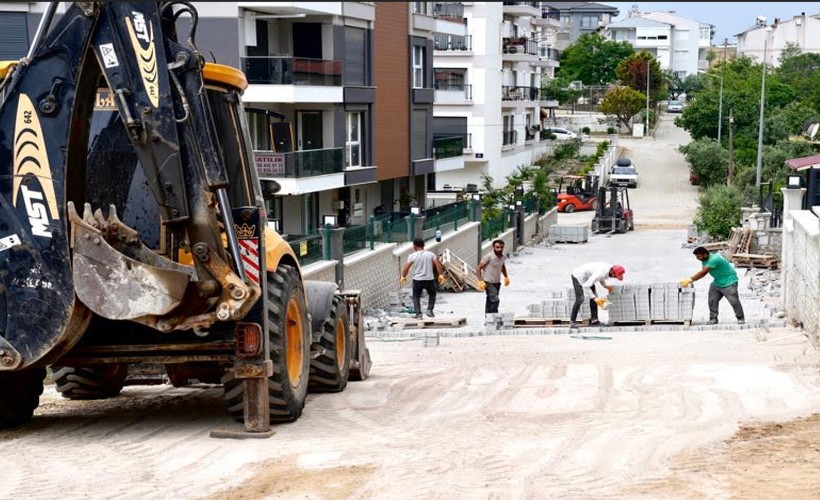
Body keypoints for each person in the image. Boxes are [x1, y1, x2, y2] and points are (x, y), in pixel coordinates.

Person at [680, 246, 745, 325]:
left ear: (705, 254)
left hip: (729, 281)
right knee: (712, 300)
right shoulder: (704, 260)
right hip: (717, 282)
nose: (697, 258)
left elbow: (703, 272)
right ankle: (713, 319)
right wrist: (694, 278)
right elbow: (704, 272)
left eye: (698, 256)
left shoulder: (714, 259)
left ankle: (740, 318)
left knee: (733, 301)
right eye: (696, 257)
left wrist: (689, 280)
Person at [569, 262, 625, 329]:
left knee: (594, 297)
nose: (615, 277)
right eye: (615, 276)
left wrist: (605, 286)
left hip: (588, 277)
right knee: (580, 299)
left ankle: (594, 321)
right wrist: (595, 298)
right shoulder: (601, 272)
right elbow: (585, 286)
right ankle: (572, 322)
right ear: (612, 272)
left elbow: (601, 277)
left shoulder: (610, 269)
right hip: (578, 275)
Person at [400, 238, 446, 319]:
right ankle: (429, 310)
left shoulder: (412, 256)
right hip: (429, 279)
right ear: (423, 245)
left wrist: (403, 276)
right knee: (432, 294)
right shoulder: (431, 254)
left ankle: (418, 314)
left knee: (416, 296)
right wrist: (441, 275)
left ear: (414, 246)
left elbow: (406, 267)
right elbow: (438, 265)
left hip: (417, 280)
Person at [476, 239, 510, 314]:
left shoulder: (502, 257)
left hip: (497, 282)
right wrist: (480, 281)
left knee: (490, 300)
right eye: (497, 247)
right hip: (488, 282)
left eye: (501, 247)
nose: (499, 249)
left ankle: (488, 319)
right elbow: (478, 268)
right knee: (495, 300)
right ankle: (495, 317)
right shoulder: (489, 257)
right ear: (493, 247)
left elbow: (502, 266)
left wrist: (506, 277)